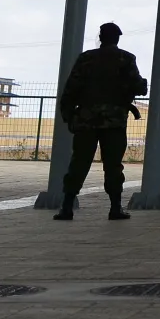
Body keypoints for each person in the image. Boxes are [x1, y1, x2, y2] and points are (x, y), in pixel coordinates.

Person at [56, 22, 146, 221]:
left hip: (86, 120)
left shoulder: (86, 58)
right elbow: (139, 87)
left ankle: (67, 207)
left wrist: (69, 117)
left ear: (101, 37)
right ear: (117, 38)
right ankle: (115, 208)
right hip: (114, 121)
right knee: (113, 165)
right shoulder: (126, 58)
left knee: (79, 162)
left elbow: (70, 90)